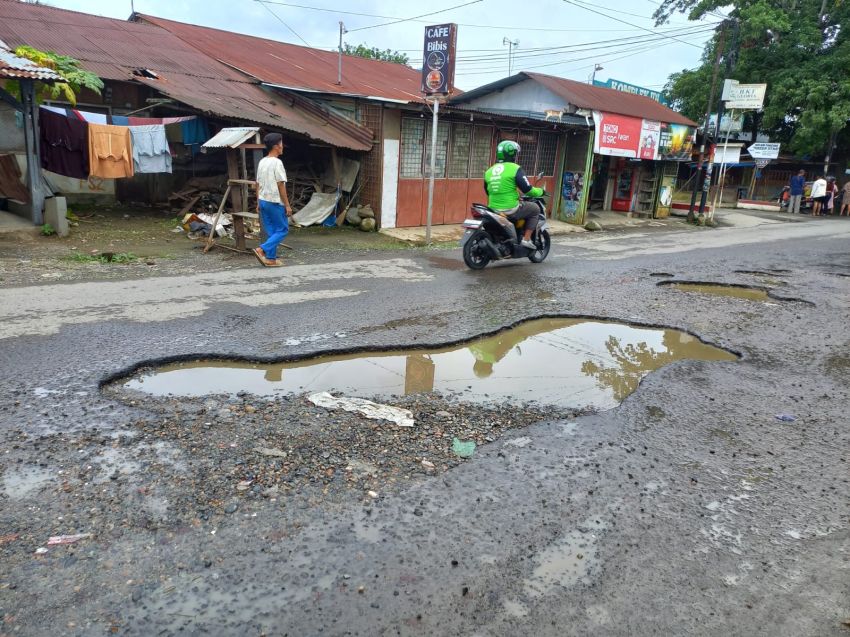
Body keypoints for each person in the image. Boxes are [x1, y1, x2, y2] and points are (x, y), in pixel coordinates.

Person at [484, 140, 545, 250]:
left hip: (493, 209)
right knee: (535, 209)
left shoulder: (489, 171)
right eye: (516, 153)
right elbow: (527, 189)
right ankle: (526, 239)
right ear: (512, 154)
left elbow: (487, 191)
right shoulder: (515, 168)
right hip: (509, 208)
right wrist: (541, 192)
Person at [253, 132, 292, 267]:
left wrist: (258, 201)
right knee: (282, 230)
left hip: (263, 201)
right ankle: (261, 249)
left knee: (272, 232)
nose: (283, 146)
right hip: (275, 201)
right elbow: (281, 184)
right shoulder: (277, 163)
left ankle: (271, 259)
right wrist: (287, 205)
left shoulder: (262, 161)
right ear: (276, 146)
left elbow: (257, 183)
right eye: (281, 143)